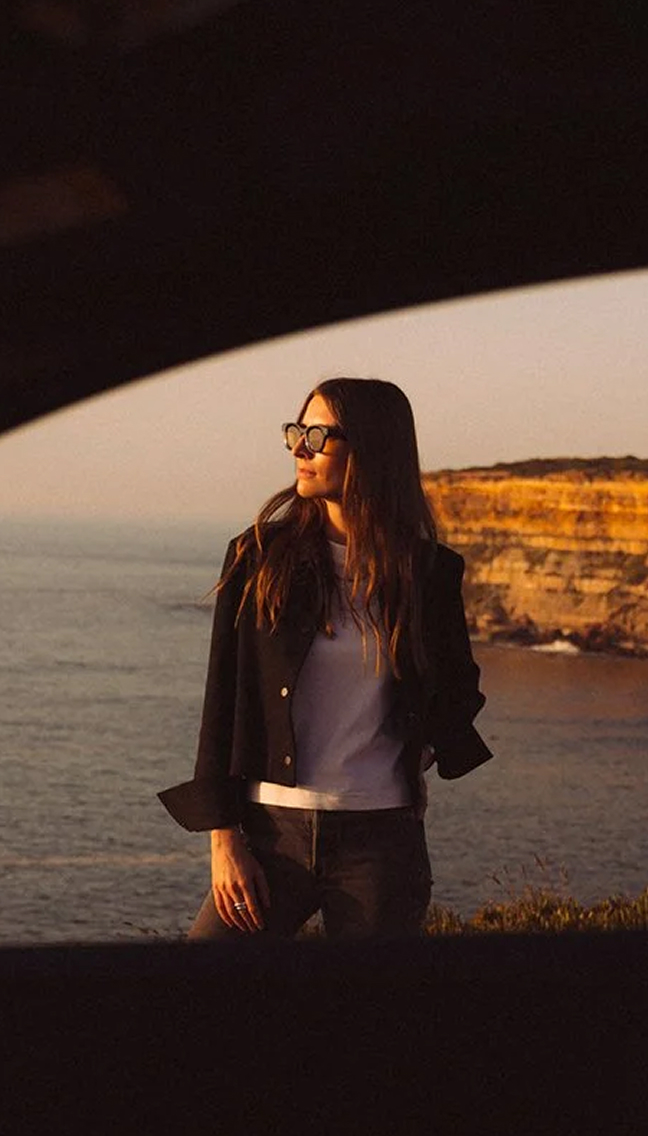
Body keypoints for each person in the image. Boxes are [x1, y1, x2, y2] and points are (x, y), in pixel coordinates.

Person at [159, 377, 490, 938]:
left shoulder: (428, 572)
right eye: (296, 431)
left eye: (317, 434)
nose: (299, 448)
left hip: (381, 841)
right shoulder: (258, 555)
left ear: (372, 448)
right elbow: (224, 700)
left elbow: (459, 688)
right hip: (270, 834)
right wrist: (225, 842)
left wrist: (421, 752)